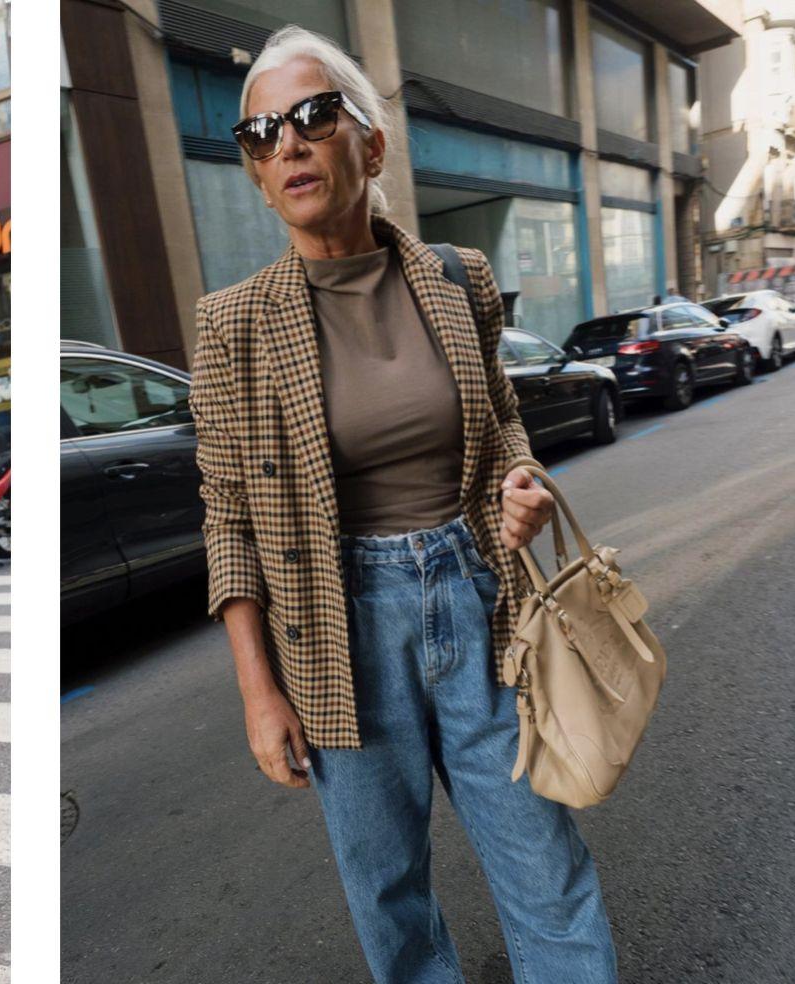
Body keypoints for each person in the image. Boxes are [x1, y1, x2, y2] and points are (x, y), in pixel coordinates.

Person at [189, 26, 617, 984]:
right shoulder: (234, 327)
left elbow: (505, 424)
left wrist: (520, 486)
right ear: (256, 174)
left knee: (545, 870)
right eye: (261, 133)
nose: (288, 143)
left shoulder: (458, 280)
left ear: (369, 146)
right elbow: (228, 518)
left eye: (312, 115)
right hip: (336, 630)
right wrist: (260, 696)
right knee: (392, 903)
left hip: (481, 601)